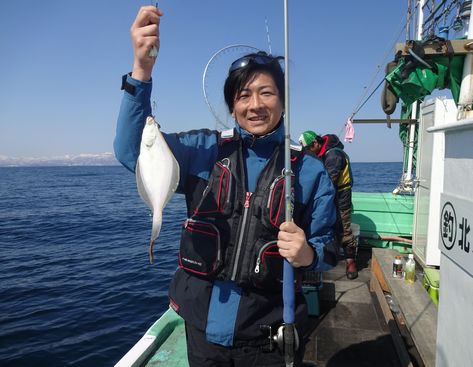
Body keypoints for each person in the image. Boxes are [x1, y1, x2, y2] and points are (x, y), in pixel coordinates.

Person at [114, 6, 337, 366]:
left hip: (267, 336)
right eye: (244, 96)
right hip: (201, 330)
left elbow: (330, 247)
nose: (255, 105)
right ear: (232, 107)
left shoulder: (308, 170)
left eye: (267, 93)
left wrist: (308, 254)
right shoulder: (203, 150)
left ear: (283, 101)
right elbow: (130, 152)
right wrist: (142, 70)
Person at [299, 131, 357, 279]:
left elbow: (329, 180)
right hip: (331, 196)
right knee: (332, 227)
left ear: (316, 144)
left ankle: (351, 262)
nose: (307, 153)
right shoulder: (324, 154)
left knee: (344, 229)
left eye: (308, 149)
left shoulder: (333, 155)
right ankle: (334, 255)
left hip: (340, 197)